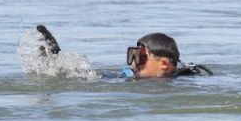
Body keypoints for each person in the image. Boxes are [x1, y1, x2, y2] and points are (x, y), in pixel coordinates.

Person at [36, 26, 212, 78]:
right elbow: (98, 77)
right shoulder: (133, 77)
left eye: (141, 57)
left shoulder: (182, 86)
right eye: (132, 55)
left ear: (164, 64)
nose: (134, 63)